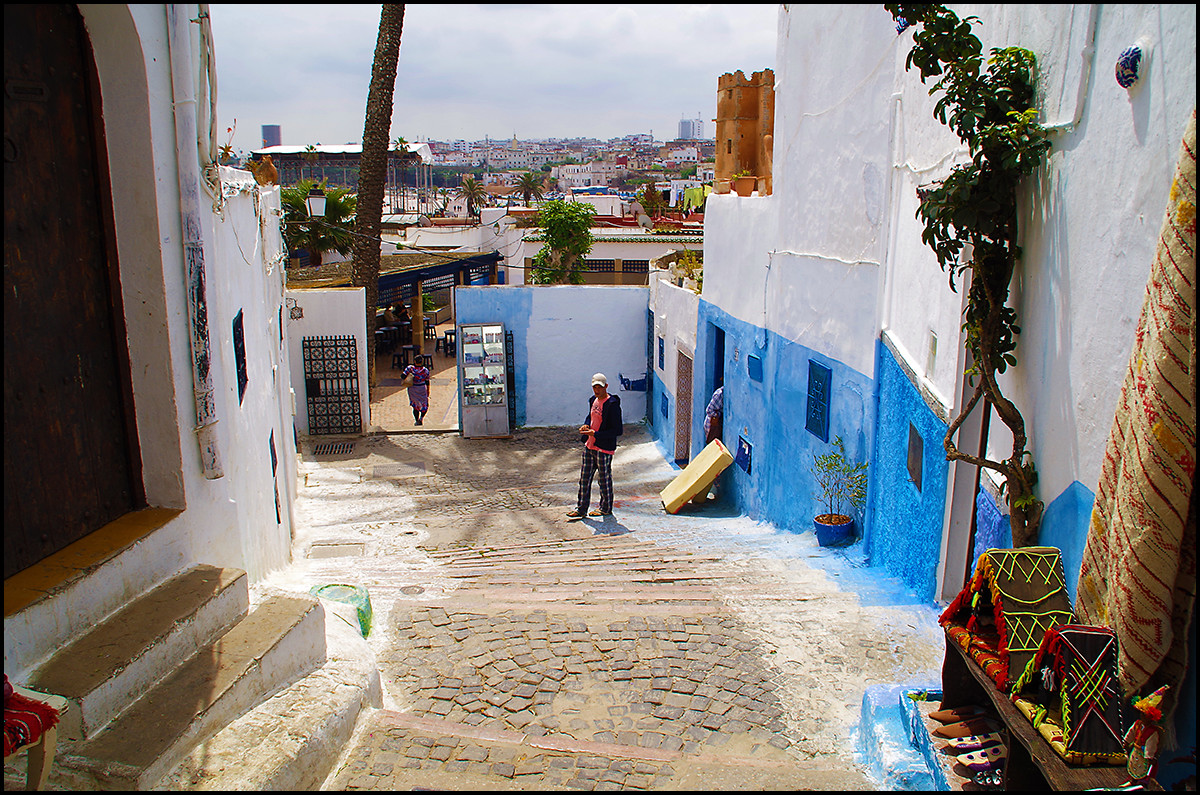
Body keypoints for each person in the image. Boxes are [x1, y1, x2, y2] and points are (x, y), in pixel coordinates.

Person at [567, 373, 622, 520]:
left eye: (600, 387)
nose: (597, 390)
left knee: (604, 479)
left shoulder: (612, 405)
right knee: (584, 478)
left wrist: (595, 434)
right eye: (595, 387)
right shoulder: (593, 400)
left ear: (606, 387)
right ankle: (581, 508)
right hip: (589, 446)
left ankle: (605, 508)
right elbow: (591, 416)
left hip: (603, 448)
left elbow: (617, 430)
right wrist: (586, 426)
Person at [402, 360, 431, 425]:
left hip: (413, 389)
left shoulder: (410, 368)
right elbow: (427, 381)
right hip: (422, 389)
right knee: (425, 404)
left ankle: (417, 420)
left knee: (415, 406)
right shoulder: (425, 370)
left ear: (415, 361)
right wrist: (428, 390)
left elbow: (402, 376)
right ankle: (421, 418)